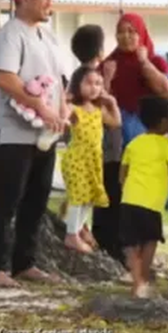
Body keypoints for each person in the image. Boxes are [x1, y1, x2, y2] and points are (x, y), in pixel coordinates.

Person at [0, 0, 68, 287]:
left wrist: (62, 108)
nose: (50, 2)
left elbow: (59, 80)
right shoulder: (10, 35)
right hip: (11, 135)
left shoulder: (49, 37)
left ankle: (25, 262)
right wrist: (42, 108)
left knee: (36, 200)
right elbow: (4, 78)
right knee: (7, 200)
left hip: (42, 136)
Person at [119, 96, 168, 298]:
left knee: (131, 244)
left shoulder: (134, 143)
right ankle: (143, 277)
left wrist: (127, 188)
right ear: (163, 122)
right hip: (151, 204)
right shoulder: (165, 144)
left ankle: (136, 280)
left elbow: (122, 173)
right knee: (150, 240)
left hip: (129, 201)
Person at [69, 24, 125, 263]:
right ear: (100, 50)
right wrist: (108, 80)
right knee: (100, 195)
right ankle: (93, 237)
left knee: (95, 195)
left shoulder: (79, 75)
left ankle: (83, 228)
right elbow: (97, 105)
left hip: (98, 150)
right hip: (97, 151)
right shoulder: (91, 77)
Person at [61, 66, 121, 253]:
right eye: (88, 83)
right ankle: (71, 235)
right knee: (78, 197)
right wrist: (65, 98)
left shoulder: (98, 109)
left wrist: (113, 104)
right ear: (77, 84)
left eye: (98, 84)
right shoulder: (74, 108)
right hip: (77, 159)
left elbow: (116, 122)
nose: (94, 87)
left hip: (93, 161)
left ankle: (78, 228)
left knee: (91, 197)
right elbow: (62, 114)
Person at [100, 13, 168, 149]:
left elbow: (167, 92)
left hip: (150, 135)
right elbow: (96, 101)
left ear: (141, 34)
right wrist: (107, 79)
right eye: (120, 32)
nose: (125, 36)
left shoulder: (156, 62)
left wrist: (144, 63)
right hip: (117, 139)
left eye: (131, 31)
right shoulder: (109, 64)